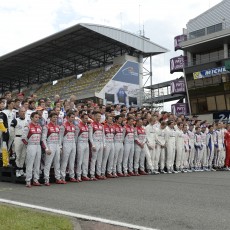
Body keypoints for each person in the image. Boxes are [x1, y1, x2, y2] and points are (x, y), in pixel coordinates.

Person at [42, 112, 64, 185]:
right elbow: (43, 139)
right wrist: (46, 148)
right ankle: (46, 179)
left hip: (56, 145)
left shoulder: (58, 127)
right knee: (48, 163)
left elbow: (59, 138)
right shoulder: (46, 126)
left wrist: (60, 147)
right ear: (50, 118)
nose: (55, 118)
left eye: (56, 117)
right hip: (50, 145)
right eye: (54, 117)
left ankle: (58, 178)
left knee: (57, 162)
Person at [22, 112, 42, 187]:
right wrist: (28, 145)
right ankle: (28, 180)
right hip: (31, 146)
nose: (37, 118)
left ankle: (36, 180)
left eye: (38, 117)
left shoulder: (40, 127)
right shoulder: (28, 126)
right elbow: (23, 138)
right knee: (30, 164)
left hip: (38, 146)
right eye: (36, 117)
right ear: (32, 118)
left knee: (37, 164)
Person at [9, 107, 27, 177]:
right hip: (17, 138)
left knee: (23, 156)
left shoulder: (27, 121)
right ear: (19, 112)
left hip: (24, 140)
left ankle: (21, 170)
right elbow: (11, 131)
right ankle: (17, 170)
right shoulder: (15, 120)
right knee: (18, 155)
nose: (23, 113)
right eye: (22, 111)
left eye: (24, 111)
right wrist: (14, 140)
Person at [59, 111, 77, 182]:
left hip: (73, 144)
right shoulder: (63, 126)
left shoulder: (73, 126)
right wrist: (60, 146)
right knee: (64, 161)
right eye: (71, 117)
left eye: (74, 117)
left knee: (72, 160)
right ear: (67, 117)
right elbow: (60, 137)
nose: (73, 119)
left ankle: (72, 176)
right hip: (66, 144)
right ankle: (62, 177)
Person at [89, 111, 105, 180]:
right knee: (93, 159)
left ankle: (98, 174)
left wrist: (104, 144)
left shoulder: (101, 125)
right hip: (95, 143)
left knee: (100, 159)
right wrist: (93, 145)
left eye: (100, 116)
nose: (99, 118)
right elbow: (90, 136)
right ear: (94, 116)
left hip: (101, 143)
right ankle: (92, 174)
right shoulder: (91, 125)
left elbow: (103, 136)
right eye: (98, 116)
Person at [75, 113, 90, 182]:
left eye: (87, 118)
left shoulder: (87, 126)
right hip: (80, 143)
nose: (86, 119)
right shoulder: (78, 126)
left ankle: (85, 175)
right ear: (82, 118)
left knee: (85, 160)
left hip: (86, 143)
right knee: (80, 160)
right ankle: (78, 176)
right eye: (85, 118)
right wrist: (75, 145)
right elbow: (76, 137)